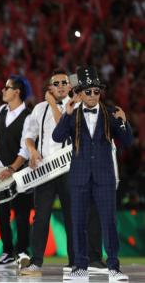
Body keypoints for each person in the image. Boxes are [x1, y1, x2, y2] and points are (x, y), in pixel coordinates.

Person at [53, 67, 133, 281]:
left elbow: (127, 142)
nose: (92, 95)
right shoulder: (72, 114)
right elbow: (56, 137)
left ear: (100, 92)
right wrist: (66, 115)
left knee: (109, 222)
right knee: (78, 222)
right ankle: (80, 267)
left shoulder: (111, 112)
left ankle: (114, 267)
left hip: (104, 178)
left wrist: (124, 122)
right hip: (79, 178)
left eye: (96, 91)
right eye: (87, 91)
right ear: (80, 92)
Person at [19, 70, 74, 276]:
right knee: (41, 217)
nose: (60, 86)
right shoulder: (39, 109)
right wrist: (32, 150)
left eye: (64, 82)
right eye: (56, 83)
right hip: (45, 171)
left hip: (69, 169)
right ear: (50, 87)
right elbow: (29, 135)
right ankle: (36, 263)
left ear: (70, 86)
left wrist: (52, 104)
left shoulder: (75, 106)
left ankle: (75, 263)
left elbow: (64, 129)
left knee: (72, 217)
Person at [0, 75, 32, 269]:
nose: (3, 90)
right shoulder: (1, 111)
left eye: (7, 87)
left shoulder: (28, 116)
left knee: (21, 215)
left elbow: (25, 150)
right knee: (2, 214)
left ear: (17, 92)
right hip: (0, 169)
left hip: (20, 172)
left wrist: (12, 169)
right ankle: (7, 251)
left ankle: (23, 252)